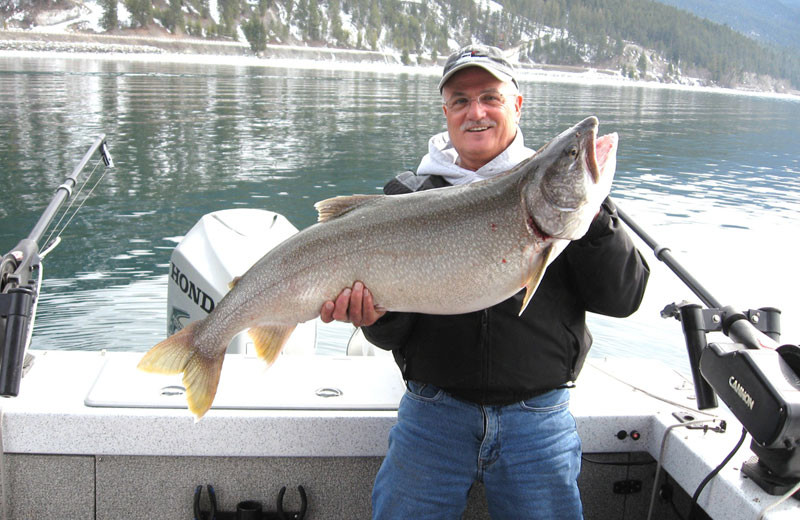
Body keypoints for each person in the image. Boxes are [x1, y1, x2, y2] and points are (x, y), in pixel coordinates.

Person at [320, 44, 650, 519]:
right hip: (433, 419)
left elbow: (624, 298)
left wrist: (593, 217)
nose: (476, 112)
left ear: (517, 105)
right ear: (446, 112)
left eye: (490, 97)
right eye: (460, 100)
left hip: (539, 422)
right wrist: (371, 317)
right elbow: (393, 332)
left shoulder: (562, 194)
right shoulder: (407, 198)